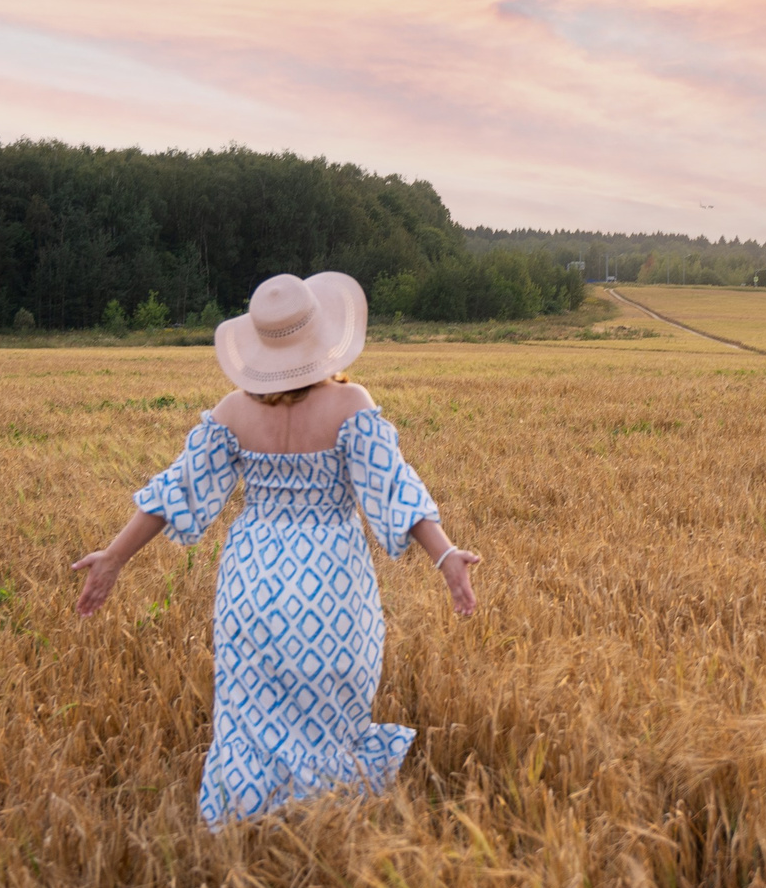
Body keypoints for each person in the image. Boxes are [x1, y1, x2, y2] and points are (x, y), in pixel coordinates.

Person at [71, 271, 479, 823]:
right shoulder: (350, 403)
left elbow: (178, 489)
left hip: (253, 580)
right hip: (329, 584)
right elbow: (394, 489)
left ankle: (241, 811)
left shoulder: (234, 412)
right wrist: (445, 554)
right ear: (323, 337)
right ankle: (323, 808)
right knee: (328, 706)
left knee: (249, 713)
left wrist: (114, 556)